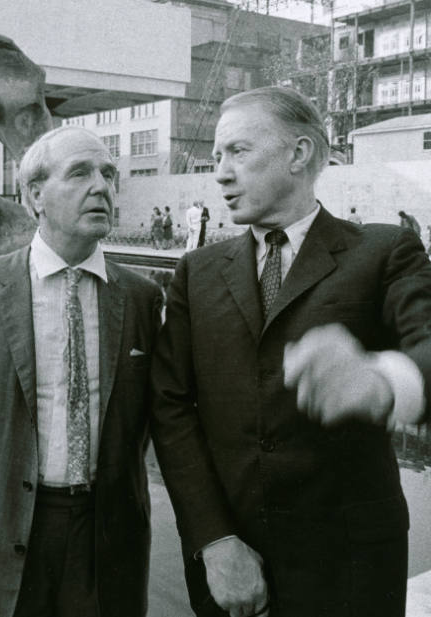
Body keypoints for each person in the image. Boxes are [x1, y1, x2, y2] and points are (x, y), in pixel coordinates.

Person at [151, 86, 431, 617]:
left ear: (299, 154)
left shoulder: (384, 250)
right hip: (231, 570)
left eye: (237, 151)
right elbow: (170, 408)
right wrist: (213, 541)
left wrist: (381, 380)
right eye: (216, 157)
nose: (220, 173)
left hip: (353, 572)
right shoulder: (196, 272)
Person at [0, 126, 162, 617]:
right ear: (34, 196)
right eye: (80, 173)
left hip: (106, 536)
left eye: (108, 174)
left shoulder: (141, 296)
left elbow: (148, 421)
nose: (102, 187)